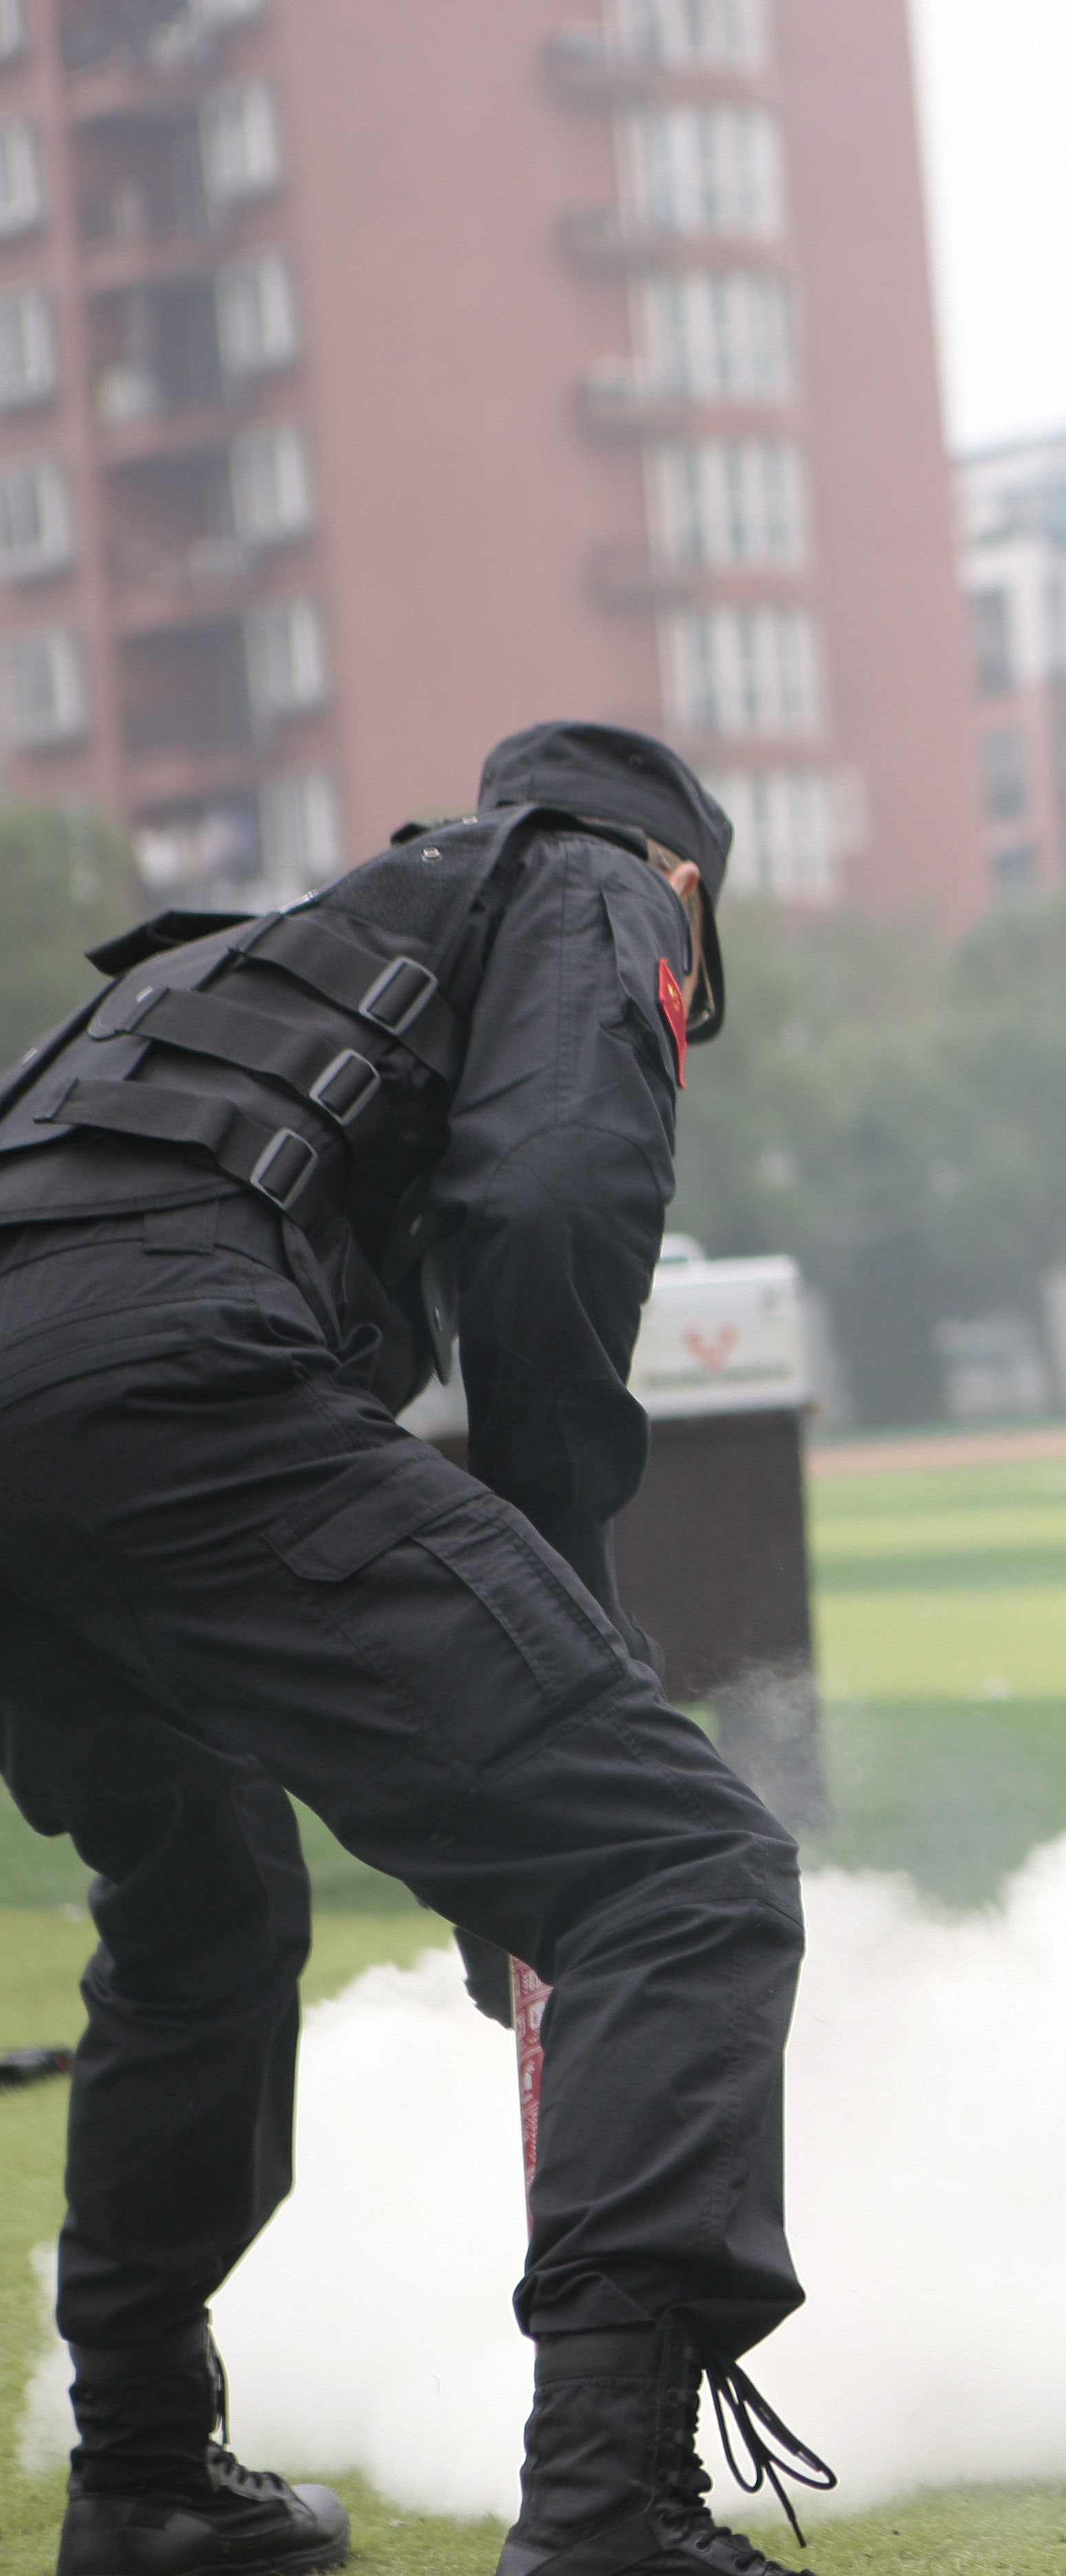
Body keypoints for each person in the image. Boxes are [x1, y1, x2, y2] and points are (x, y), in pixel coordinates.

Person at [0, 723, 822, 2576]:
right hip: (168, 1367)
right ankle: (608, 2506)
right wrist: (571, 1637)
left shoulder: (268, 940)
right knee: (675, 1866)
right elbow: (547, 1212)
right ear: (688, 886)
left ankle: (139, 2477)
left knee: (201, 1916)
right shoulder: (597, 878)